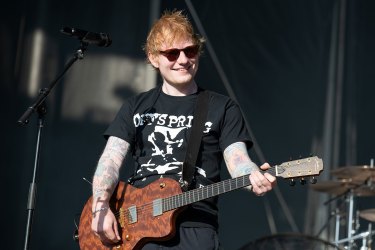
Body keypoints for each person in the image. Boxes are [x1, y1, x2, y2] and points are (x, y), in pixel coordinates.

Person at [91, 10, 276, 249]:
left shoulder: (222, 107)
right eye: (172, 53)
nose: (183, 60)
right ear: (154, 58)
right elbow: (110, 161)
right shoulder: (135, 107)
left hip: (195, 227)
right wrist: (101, 207)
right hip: (137, 228)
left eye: (190, 51)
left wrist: (252, 177)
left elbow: (238, 160)